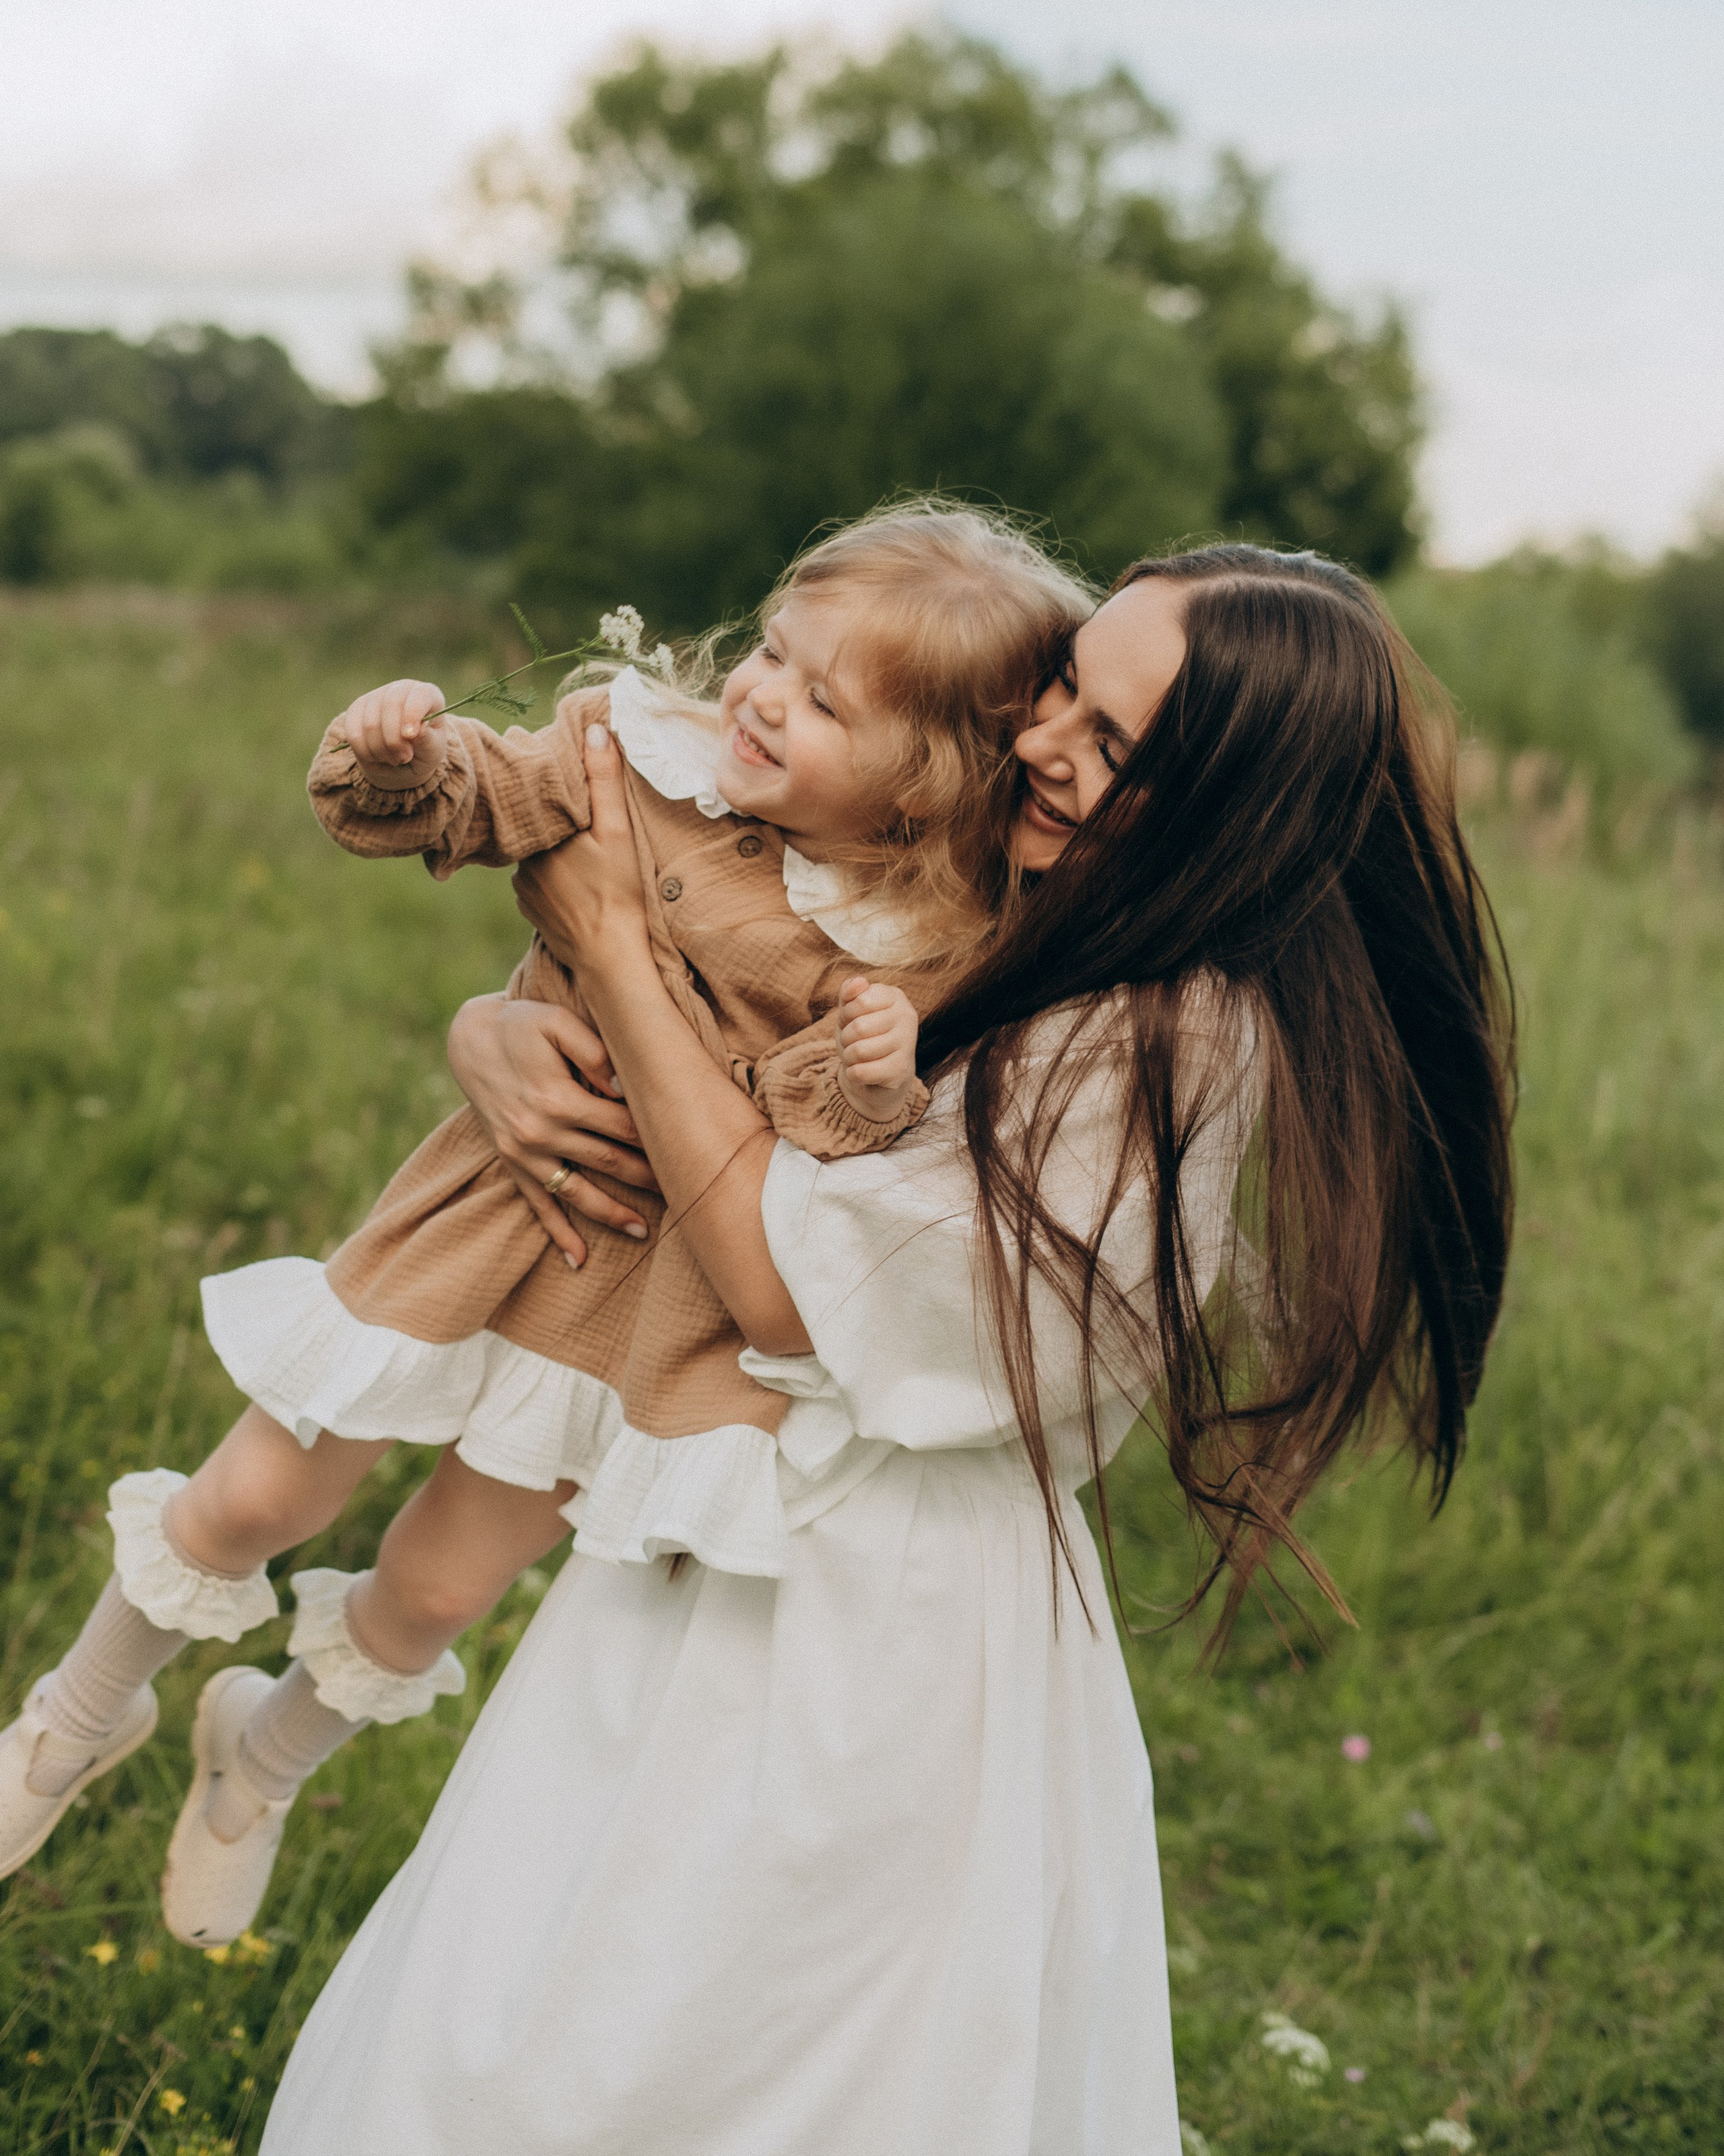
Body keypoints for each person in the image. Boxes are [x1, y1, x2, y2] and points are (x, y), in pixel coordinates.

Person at [259, 544, 1515, 2156]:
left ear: (1232, 804)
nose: (1047, 743)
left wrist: (609, 946)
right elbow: (739, 1041)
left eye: (1116, 744)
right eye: (1066, 685)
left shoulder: (1163, 1038)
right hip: (721, 1519)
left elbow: (794, 1282)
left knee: (705, 2054)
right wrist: (501, 1026)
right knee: (531, 2005)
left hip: (875, 1627)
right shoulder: (1013, 902)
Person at [0, 506, 1090, 1945]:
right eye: (773, 650)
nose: (761, 694)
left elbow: (827, 1150)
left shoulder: (923, 948)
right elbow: (468, 804)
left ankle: (254, 1766)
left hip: (644, 1305)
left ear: (920, 787)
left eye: (825, 702)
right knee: (256, 1499)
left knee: (433, 1591)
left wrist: (874, 1072)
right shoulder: (638, 760)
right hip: (489, 1215)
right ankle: (71, 1721)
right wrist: (408, 753)